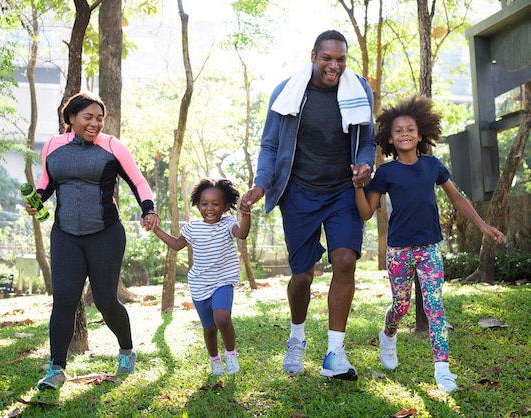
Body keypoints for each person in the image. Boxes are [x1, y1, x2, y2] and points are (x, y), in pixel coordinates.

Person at [242, 29, 376, 380]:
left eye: (340, 59)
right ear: (314, 55)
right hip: (298, 191)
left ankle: (334, 353)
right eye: (327, 58)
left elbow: (368, 140)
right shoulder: (288, 92)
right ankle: (297, 337)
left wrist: (365, 164)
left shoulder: (359, 90)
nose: (334, 65)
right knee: (302, 275)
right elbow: (270, 146)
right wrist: (261, 183)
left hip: (342, 191)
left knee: (345, 260)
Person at [353, 94, 504, 393]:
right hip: (398, 250)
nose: (405, 133)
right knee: (401, 305)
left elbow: (457, 198)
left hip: (429, 248)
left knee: (435, 307)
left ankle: (443, 370)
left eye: (410, 129)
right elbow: (367, 212)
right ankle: (389, 333)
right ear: (391, 139)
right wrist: (359, 187)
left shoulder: (433, 166)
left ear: (420, 135)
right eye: (398, 131)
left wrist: (484, 225)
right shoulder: (386, 173)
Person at [25, 91, 160, 390]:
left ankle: (126, 350)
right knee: (63, 300)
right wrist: (37, 200)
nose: (95, 123)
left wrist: (148, 209)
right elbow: (46, 183)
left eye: (100, 118)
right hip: (65, 235)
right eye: (88, 117)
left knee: (106, 300)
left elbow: (138, 181)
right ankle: (56, 369)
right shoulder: (53, 146)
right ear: (70, 118)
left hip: (105, 235)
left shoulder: (112, 146)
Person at [149, 178, 251, 376]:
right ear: (197, 204)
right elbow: (177, 245)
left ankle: (230, 354)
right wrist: (156, 229)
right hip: (199, 285)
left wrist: (246, 215)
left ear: (226, 206)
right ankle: (215, 361)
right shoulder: (192, 228)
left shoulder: (228, 223)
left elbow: (242, 234)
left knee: (222, 317)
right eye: (204, 204)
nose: (210, 208)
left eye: (216, 204)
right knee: (209, 328)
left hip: (223, 281)